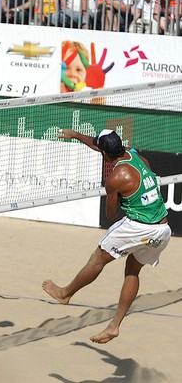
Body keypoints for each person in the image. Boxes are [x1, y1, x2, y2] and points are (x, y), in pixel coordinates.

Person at [43, 129, 171, 344]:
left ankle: (65, 294)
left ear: (104, 154)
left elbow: (111, 215)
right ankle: (114, 327)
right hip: (163, 229)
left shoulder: (116, 178)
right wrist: (75, 135)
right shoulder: (135, 154)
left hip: (139, 227)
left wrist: (118, 196)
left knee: (98, 258)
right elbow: (98, 145)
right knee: (132, 270)